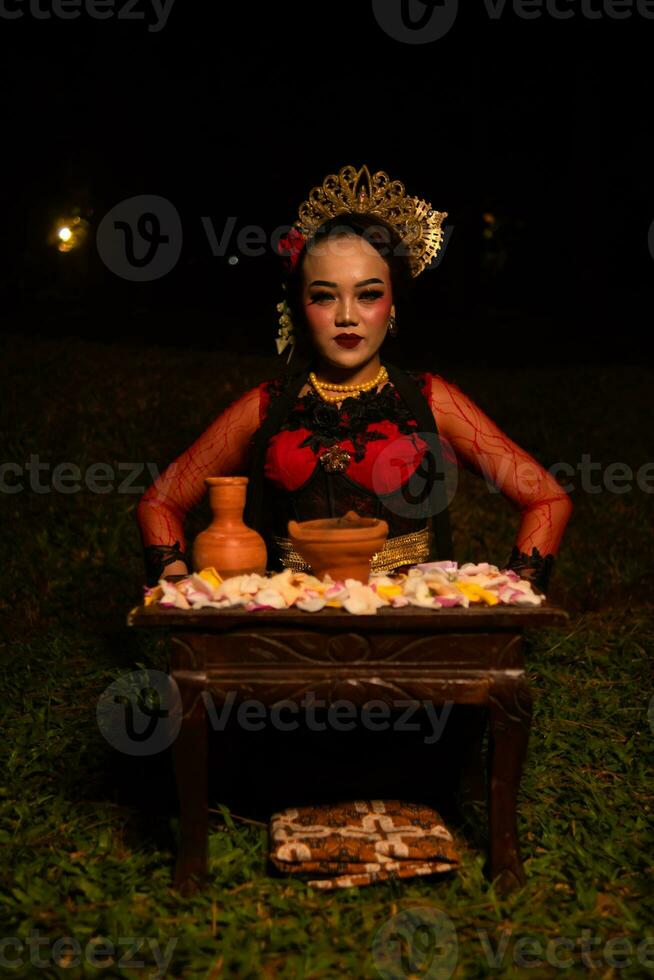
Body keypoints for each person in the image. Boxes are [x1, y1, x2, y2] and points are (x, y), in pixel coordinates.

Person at [135, 164, 572, 595]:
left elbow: (547, 499)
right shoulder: (265, 407)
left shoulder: (432, 400)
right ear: (301, 309)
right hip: (288, 628)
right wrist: (180, 589)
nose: (347, 316)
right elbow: (161, 501)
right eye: (325, 296)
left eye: (368, 295)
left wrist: (512, 595)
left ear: (393, 305)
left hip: (406, 629)